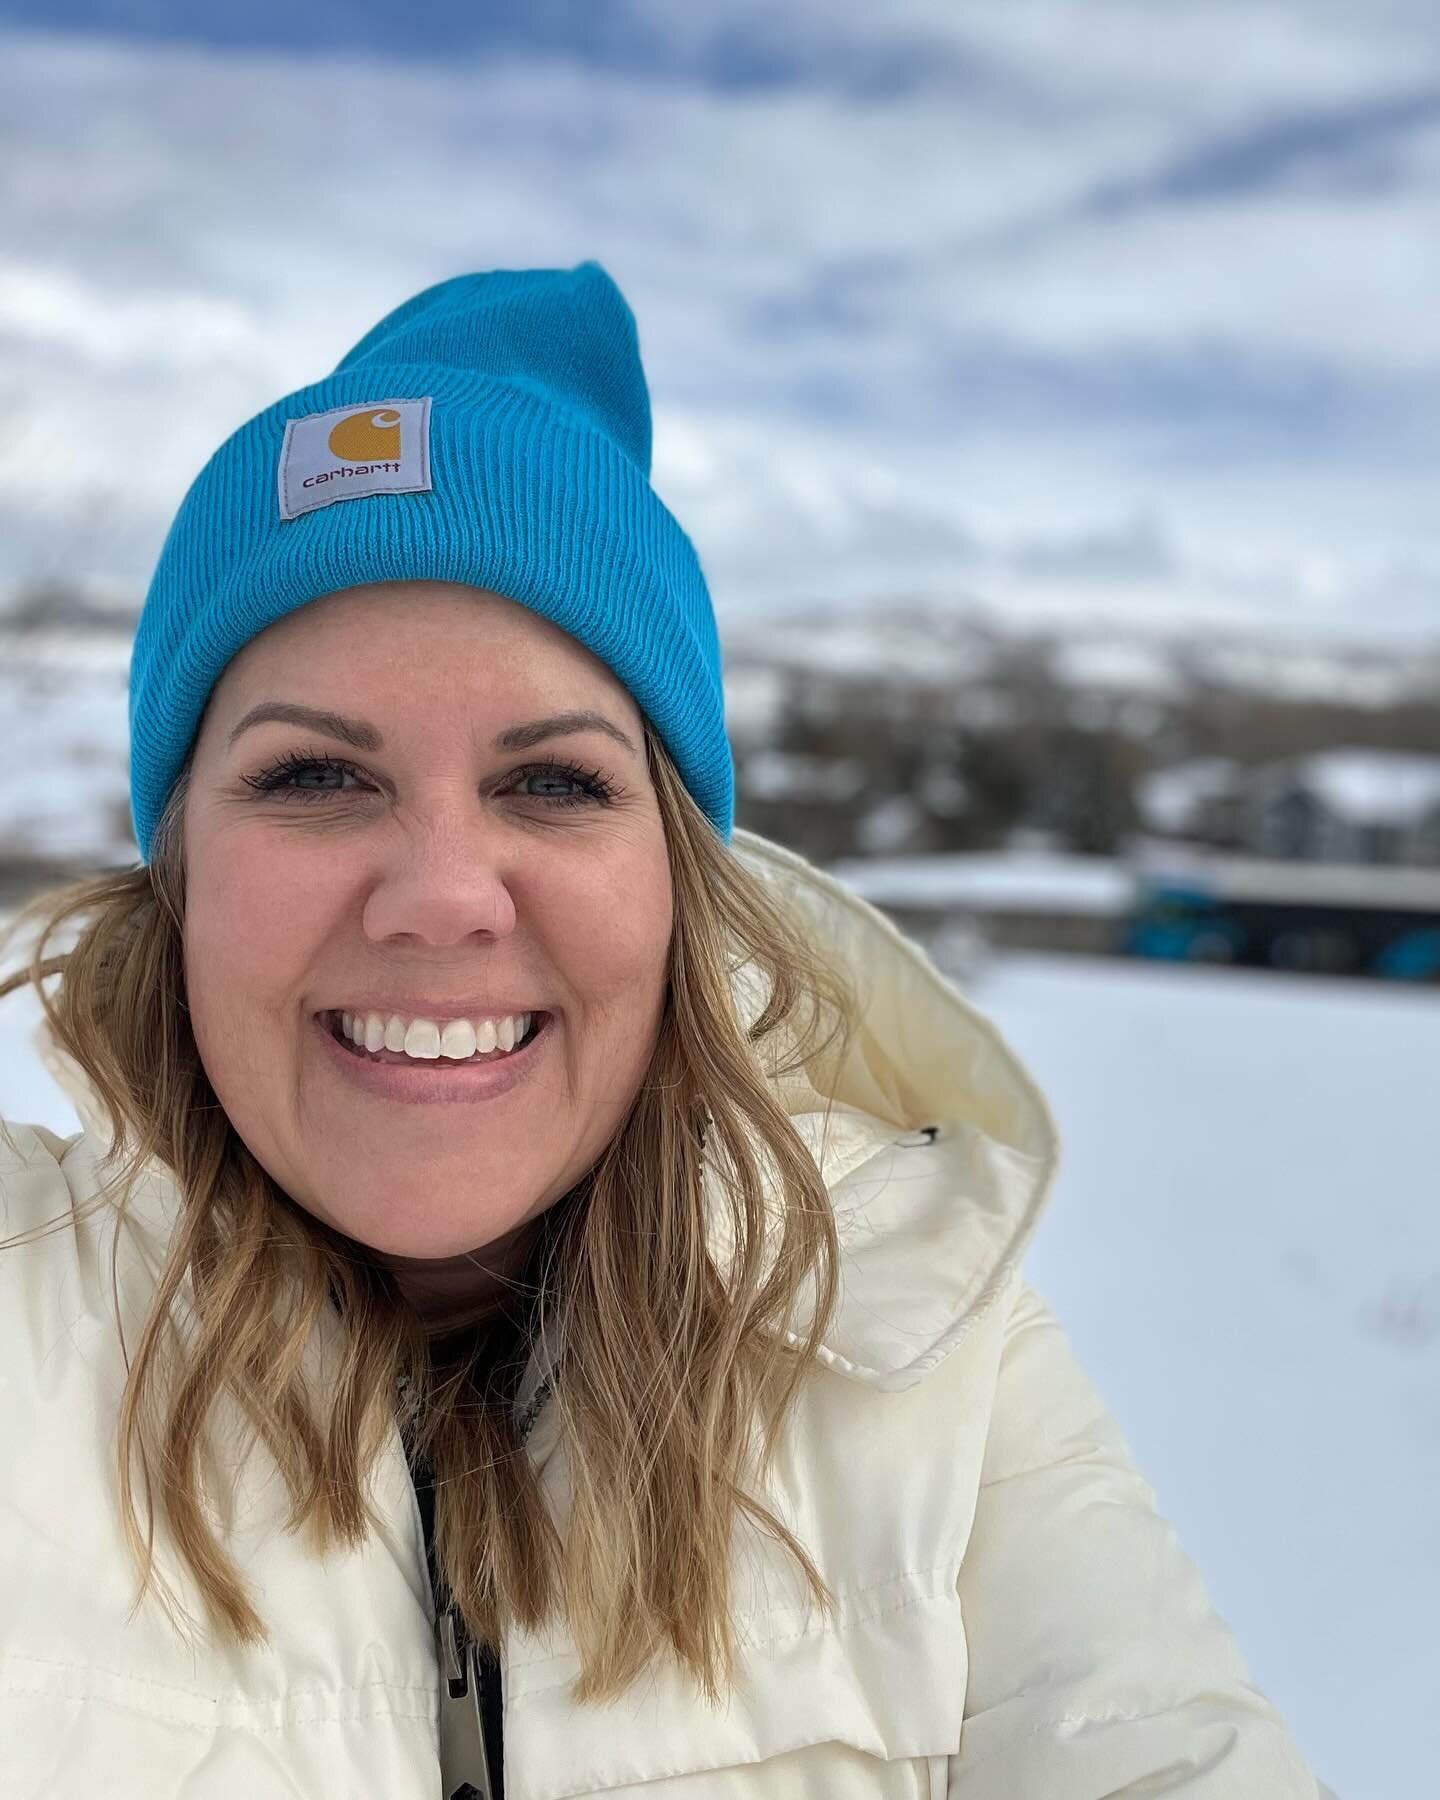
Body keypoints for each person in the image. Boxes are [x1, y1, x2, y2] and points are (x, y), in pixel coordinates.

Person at [0, 261, 1336, 1799]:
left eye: (555, 783)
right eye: (314, 778)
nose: (441, 897)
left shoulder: (914, 1341)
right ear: (177, 877)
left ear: (680, 887)